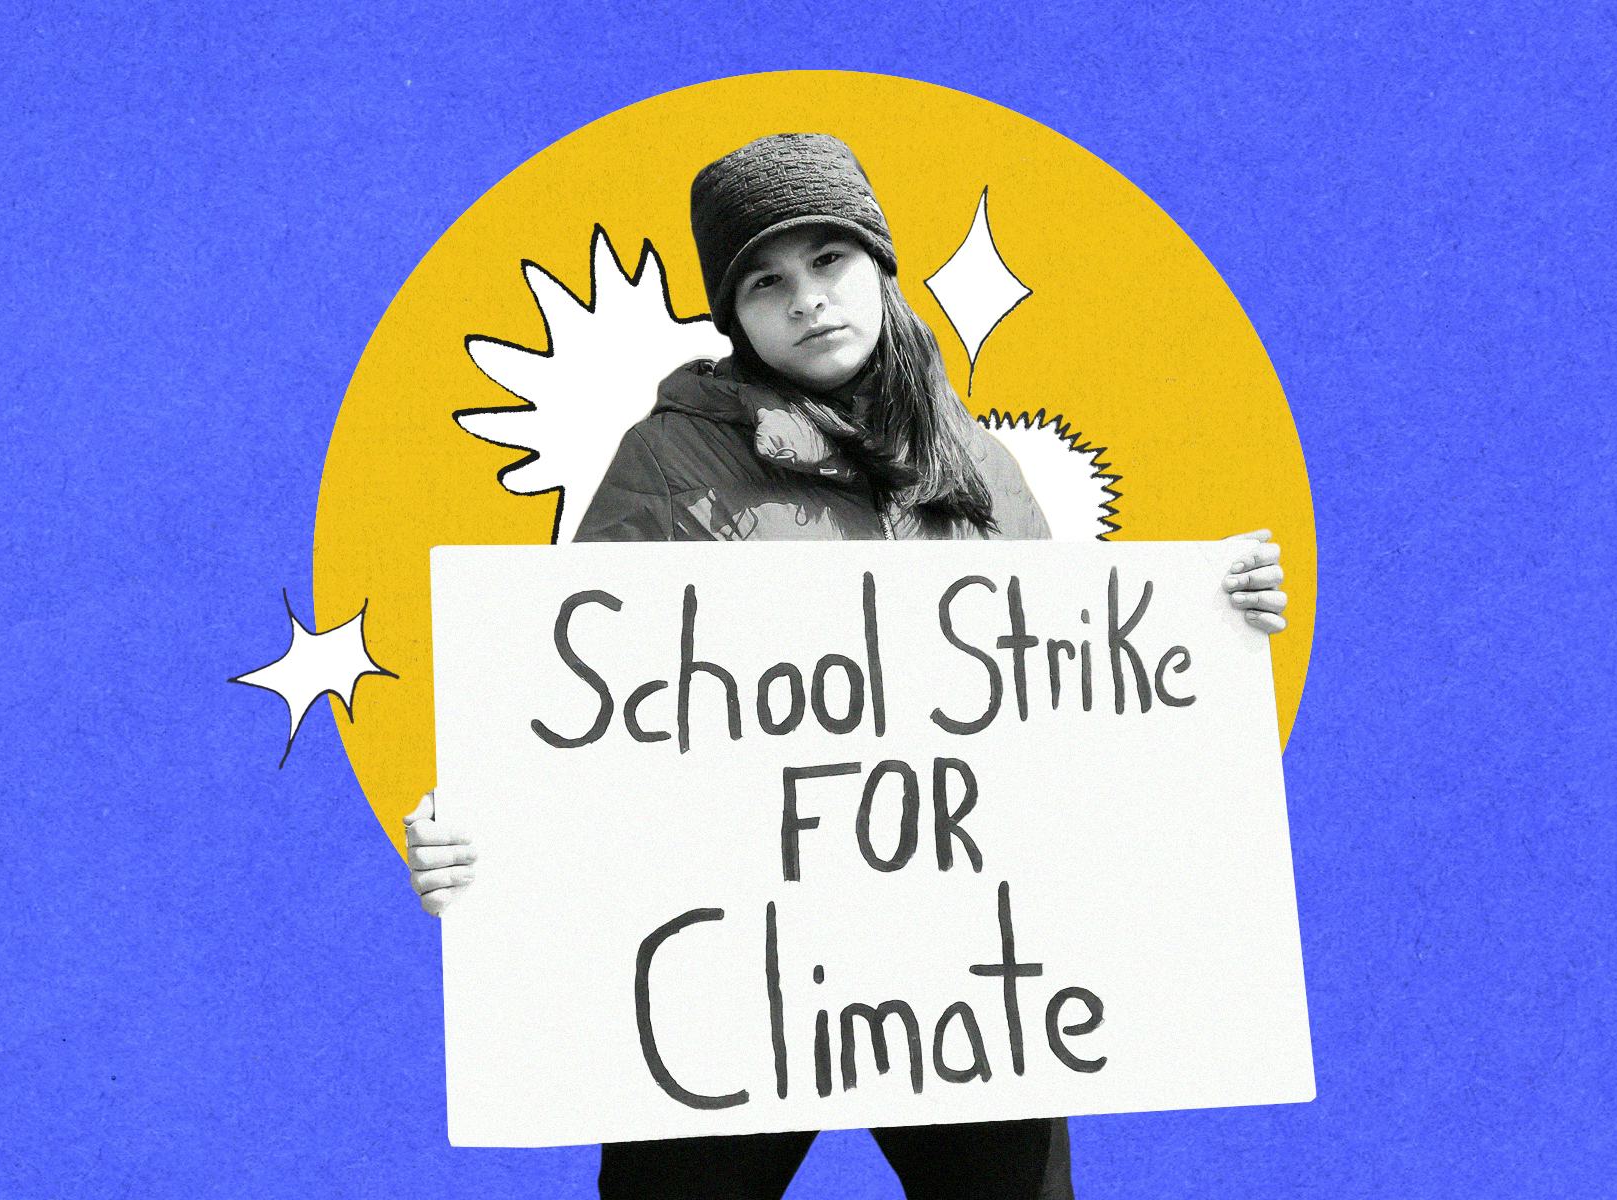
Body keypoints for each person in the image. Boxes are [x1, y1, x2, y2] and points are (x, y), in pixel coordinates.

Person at [403, 133, 1290, 1199]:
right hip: (730, 969)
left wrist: (1216, 624)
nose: (807, 299)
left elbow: (1070, 707)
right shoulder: (666, 465)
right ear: (733, 317)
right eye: (766, 281)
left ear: (879, 266)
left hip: (959, 971)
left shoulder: (979, 464)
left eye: (830, 261)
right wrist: (484, 838)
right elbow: (580, 709)